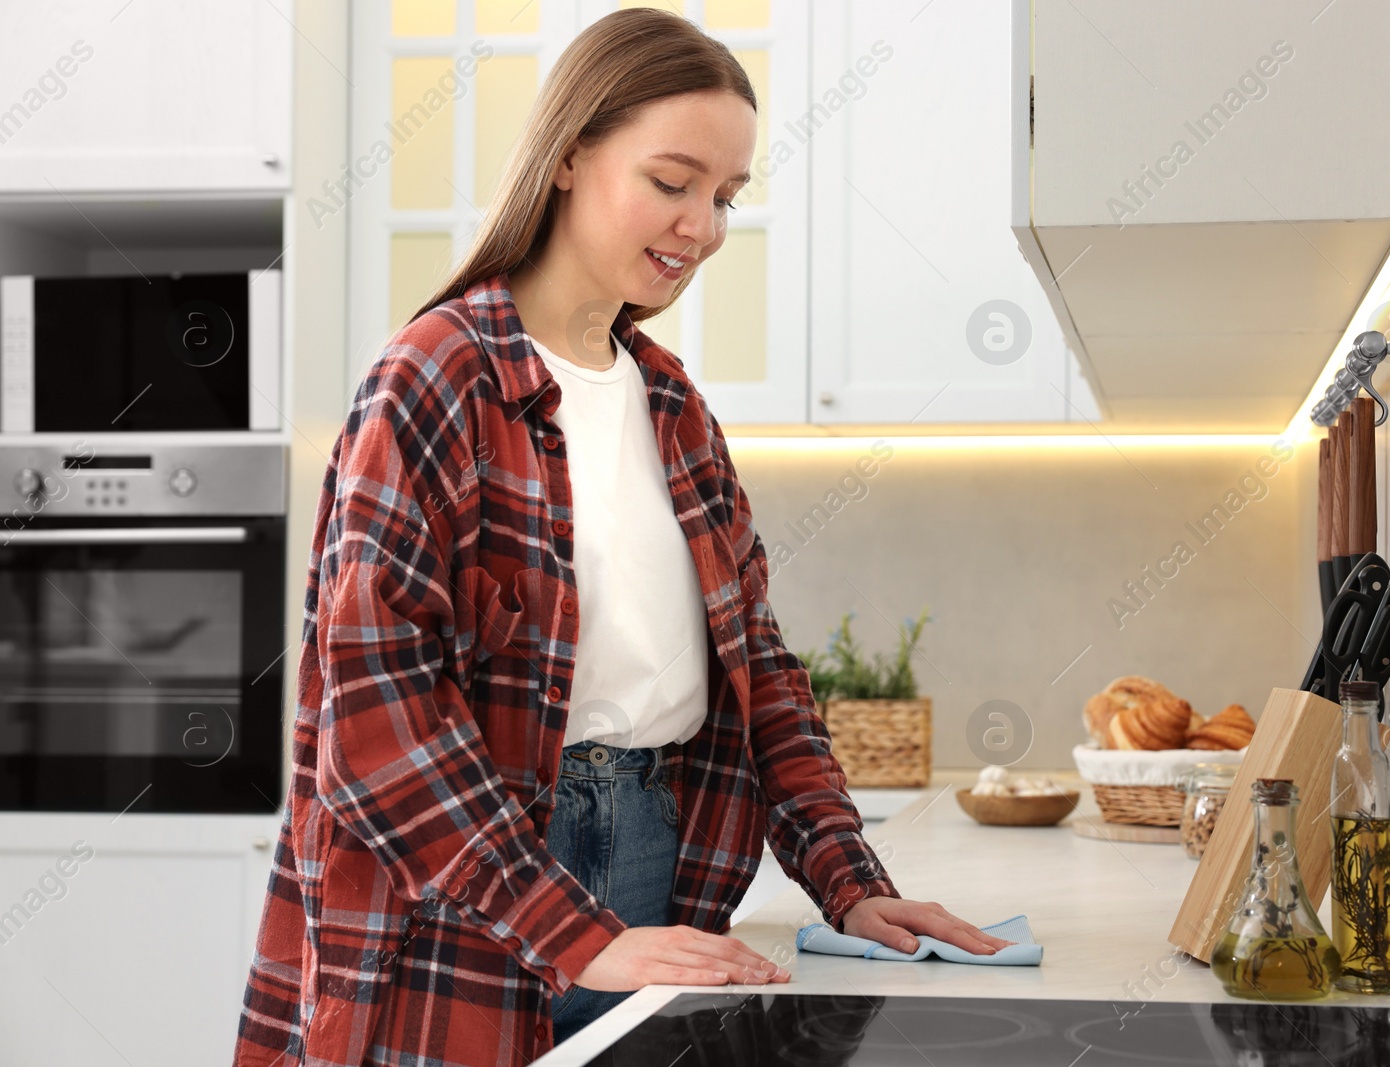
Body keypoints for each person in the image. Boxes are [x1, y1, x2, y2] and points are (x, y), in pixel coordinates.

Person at [233, 10, 1008, 1066]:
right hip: (469, 880)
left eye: (726, 196)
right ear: (567, 156)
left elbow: (760, 674)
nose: (702, 224)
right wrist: (567, 929)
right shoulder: (435, 377)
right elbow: (378, 716)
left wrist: (851, 883)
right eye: (672, 180)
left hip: (655, 842)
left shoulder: (674, 405)